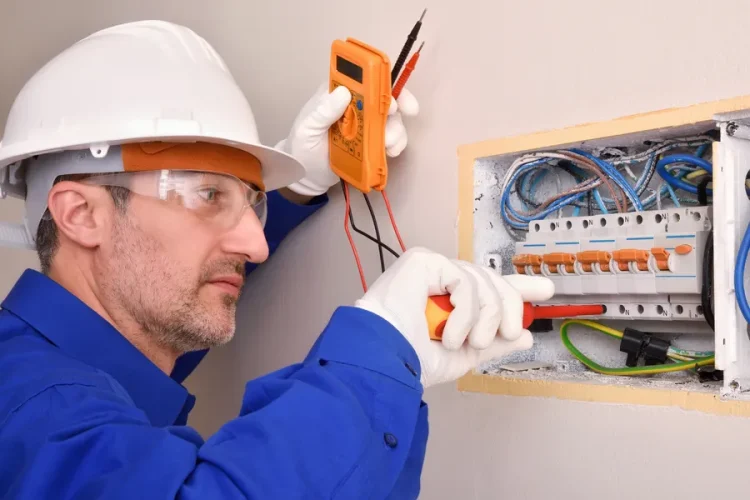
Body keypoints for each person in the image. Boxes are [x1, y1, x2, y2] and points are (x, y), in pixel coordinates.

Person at [0, 20, 554, 499]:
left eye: (251, 200)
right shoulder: (31, 404)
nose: (257, 244)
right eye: (209, 195)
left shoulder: (82, 355)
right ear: (81, 214)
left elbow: (169, 276)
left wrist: (298, 187)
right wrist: (378, 352)